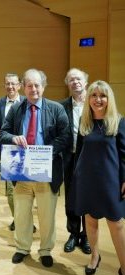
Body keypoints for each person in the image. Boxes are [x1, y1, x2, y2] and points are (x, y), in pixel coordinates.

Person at [0, 69, 69, 267]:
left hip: (45, 172)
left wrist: (44, 154)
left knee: (46, 215)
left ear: (43, 87)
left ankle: (46, 250)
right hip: (21, 172)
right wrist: (13, 138)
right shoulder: (16, 109)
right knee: (21, 213)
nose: (33, 89)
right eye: (29, 85)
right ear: (24, 87)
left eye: (37, 85)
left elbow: (65, 137)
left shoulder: (56, 109)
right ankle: (22, 247)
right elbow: (2, 133)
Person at [70, 80, 125, 275]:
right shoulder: (85, 124)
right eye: (94, 95)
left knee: (117, 224)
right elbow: (80, 155)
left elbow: (124, 155)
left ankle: (124, 266)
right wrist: (76, 178)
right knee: (91, 221)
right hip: (87, 180)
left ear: (108, 99)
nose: (98, 99)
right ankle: (95, 256)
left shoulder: (119, 122)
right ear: (89, 99)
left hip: (111, 180)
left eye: (102, 96)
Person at [61, 68, 91, 254]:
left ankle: (87, 236)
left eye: (78, 79)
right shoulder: (62, 106)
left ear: (85, 82)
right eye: (71, 80)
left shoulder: (94, 103)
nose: (75, 82)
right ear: (68, 84)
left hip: (90, 160)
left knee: (87, 197)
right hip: (69, 157)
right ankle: (73, 233)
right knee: (71, 198)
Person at [0, 73, 25, 231]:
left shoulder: (27, 102)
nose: (10, 87)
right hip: (9, 151)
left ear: (19, 85)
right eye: (7, 84)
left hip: (25, 151)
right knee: (11, 190)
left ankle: (25, 219)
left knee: (26, 189)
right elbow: (2, 129)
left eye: (13, 84)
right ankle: (17, 218)